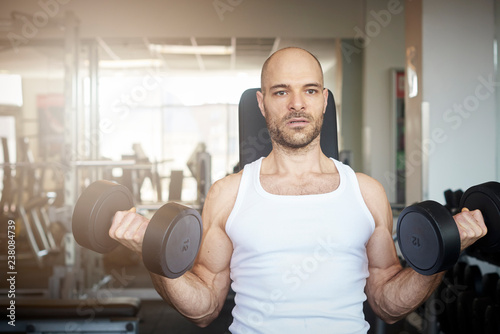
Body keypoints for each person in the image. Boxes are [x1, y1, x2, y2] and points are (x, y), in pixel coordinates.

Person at [109, 47, 487, 333]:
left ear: (324, 100)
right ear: (261, 103)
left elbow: (388, 304)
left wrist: (443, 253)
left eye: (309, 90)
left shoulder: (366, 193)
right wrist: (154, 255)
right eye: (280, 92)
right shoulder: (229, 194)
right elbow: (205, 306)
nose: (296, 104)